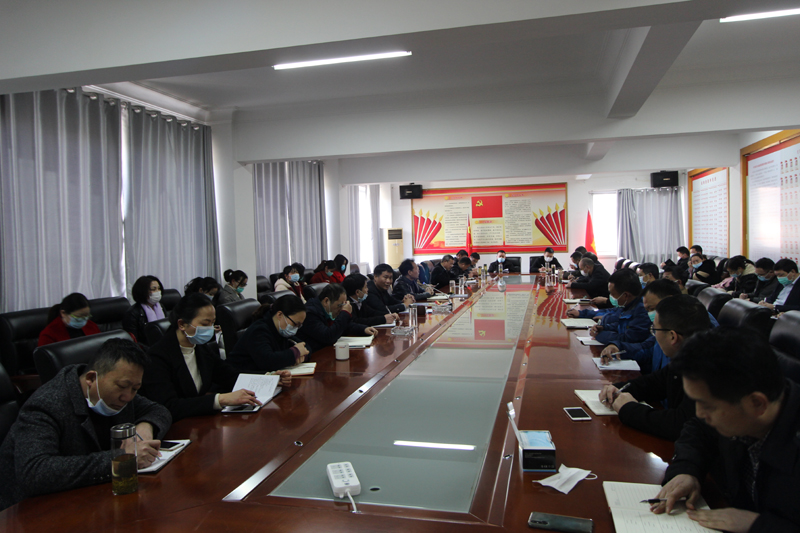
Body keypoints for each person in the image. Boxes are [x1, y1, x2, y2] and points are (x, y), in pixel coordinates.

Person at [653, 328, 800, 532]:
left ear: (757, 403)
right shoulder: (735, 406)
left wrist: (756, 525)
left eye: (708, 406)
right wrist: (687, 470)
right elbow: (698, 430)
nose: (700, 413)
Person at [0, 338, 171, 510]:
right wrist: (121, 459)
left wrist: (145, 427)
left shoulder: (120, 391)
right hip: (32, 510)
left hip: (92, 498)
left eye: (135, 389)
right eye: (122, 386)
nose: (128, 397)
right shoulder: (46, 404)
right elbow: (35, 473)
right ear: (91, 378)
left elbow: (158, 410)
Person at [141, 294, 284, 421]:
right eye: (205, 324)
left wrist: (268, 378)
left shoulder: (199, 347)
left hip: (198, 420)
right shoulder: (158, 356)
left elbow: (228, 375)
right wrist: (219, 399)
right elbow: (169, 406)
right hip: (177, 426)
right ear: (182, 324)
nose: (210, 328)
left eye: (212, 322)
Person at [599, 295, 712, 441]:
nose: (654, 335)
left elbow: (680, 424)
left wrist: (628, 409)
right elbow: (655, 383)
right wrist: (617, 388)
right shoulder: (689, 354)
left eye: (655, 330)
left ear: (672, 336)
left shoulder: (708, 369)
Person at [598, 279, 682, 374]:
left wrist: (600, 335)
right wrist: (617, 346)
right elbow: (645, 349)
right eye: (648, 310)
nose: (650, 314)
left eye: (652, 308)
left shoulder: (685, 341)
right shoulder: (659, 330)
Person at [570, 269, 650, 351]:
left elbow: (628, 339)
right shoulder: (627, 304)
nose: (610, 297)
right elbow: (619, 324)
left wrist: (600, 335)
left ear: (626, 295)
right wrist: (603, 328)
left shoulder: (643, 311)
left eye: (612, 294)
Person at [227, 295, 309, 373]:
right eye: (295, 324)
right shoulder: (258, 330)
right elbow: (268, 361)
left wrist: (301, 356)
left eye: (299, 326)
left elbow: (307, 347)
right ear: (280, 315)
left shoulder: (281, 330)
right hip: (241, 377)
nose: (295, 328)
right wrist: (295, 353)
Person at [296, 283, 378, 353]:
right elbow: (328, 337)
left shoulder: (329, 309)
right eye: (340, 305)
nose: (341, 309)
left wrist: (363, 329)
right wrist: (345, 313)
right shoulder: (310, 314)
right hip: (315, 355)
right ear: (326, 301)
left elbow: (345, 326)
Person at [122, 275, 166, 343]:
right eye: (153, 289)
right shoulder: (132, 313)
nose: (158, 291)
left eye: (159, 288)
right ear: (143, 291)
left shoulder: (161, 307)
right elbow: (134, 341)